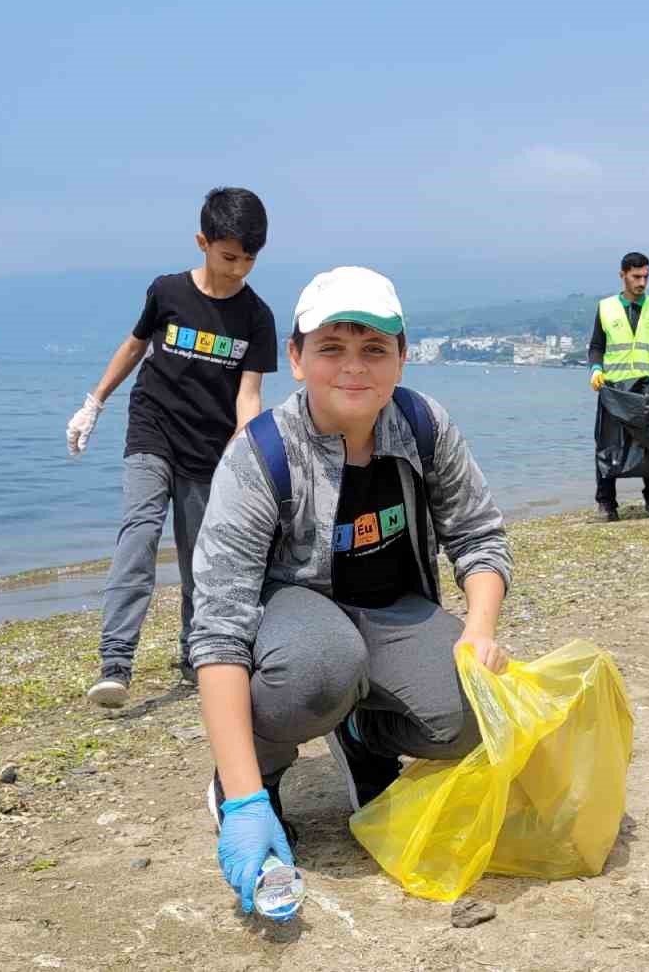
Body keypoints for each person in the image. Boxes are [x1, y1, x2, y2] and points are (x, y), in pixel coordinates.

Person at [187, 266, 513, 914]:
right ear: (296, 357)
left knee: (476, 711)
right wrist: (247, 800)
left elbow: (479, 537)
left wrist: (479, 628)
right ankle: (252, 779)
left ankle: (365, 736)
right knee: (319, 666)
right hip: (297, 625)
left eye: (374, 349)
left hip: (392, 609)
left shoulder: (423, 425)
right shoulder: (260, 455)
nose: (354, 368)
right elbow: (218, 629)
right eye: (331, 347)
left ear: (402, 355)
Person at [68, 187, 278, 709]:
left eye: (250, 259)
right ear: (202, 242)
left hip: (209, 447)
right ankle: (115, 662)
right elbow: (135, 345)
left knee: (199, 558)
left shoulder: (257, 317)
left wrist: (242, 448)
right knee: (138, 535)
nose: (239, 269)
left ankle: (194, 653)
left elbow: (248, 395)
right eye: (230, 257)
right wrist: (94, 402)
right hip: (152, 428)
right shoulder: (167, 291)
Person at [588, 252, 649, 520]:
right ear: (622, 275)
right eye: (636, 276)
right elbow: (596, 347)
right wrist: (596, 369)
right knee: (608, 444)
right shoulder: (606, 307)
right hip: (613, 387)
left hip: (646, 385)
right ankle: (607, 504)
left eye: (646, 276)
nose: (642, 282)